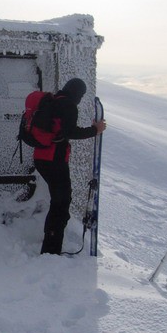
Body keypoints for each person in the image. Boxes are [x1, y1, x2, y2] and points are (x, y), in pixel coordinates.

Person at [34, 78, 106, 255]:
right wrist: (95, 130)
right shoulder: (68, 105)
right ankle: (51, 250)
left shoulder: (55, 100)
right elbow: (70, 132)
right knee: (61, 203)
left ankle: (51, 245)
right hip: (54, 160)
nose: (80, 98)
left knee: (60, 202)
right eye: (81, 94)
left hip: (42, 157)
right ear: (76, 93)